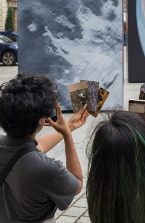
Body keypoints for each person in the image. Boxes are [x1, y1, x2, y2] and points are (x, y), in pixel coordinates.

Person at [0, 73, 89, 223]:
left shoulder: (6, 146)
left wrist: (70, 126)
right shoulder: (47, 168)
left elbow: (32, 148)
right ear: (41, 120)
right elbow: (77, 184)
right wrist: (67, 135)